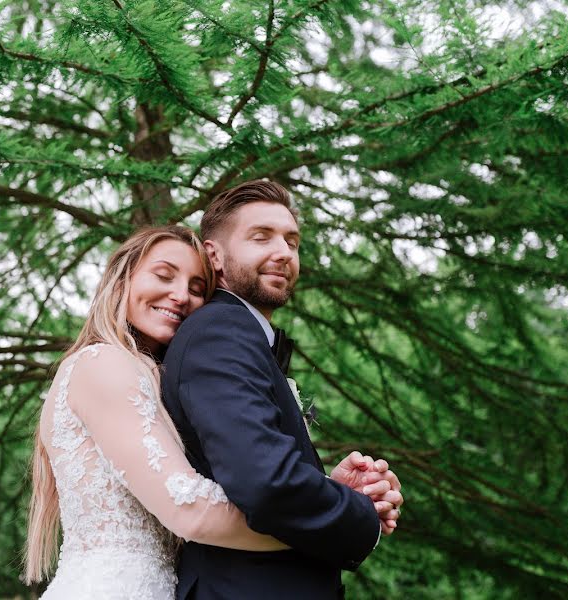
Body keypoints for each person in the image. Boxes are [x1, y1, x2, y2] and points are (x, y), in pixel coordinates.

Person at [24, 225, 323, 599]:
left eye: (198, 289)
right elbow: (192, 509)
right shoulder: (102, 363)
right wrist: (328, 521)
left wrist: (316, 487)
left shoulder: (152, 378)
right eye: (164, 276)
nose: (181, 295)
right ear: (121, 280)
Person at [161, 180, 404, 600]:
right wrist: (363, 515)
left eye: (292, 242)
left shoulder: (245, 336)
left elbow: (251, 467)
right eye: (261, 237)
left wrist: (334, 489)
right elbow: (265, 482)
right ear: (214, 255)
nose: (283, 253)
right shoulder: (220, 331)